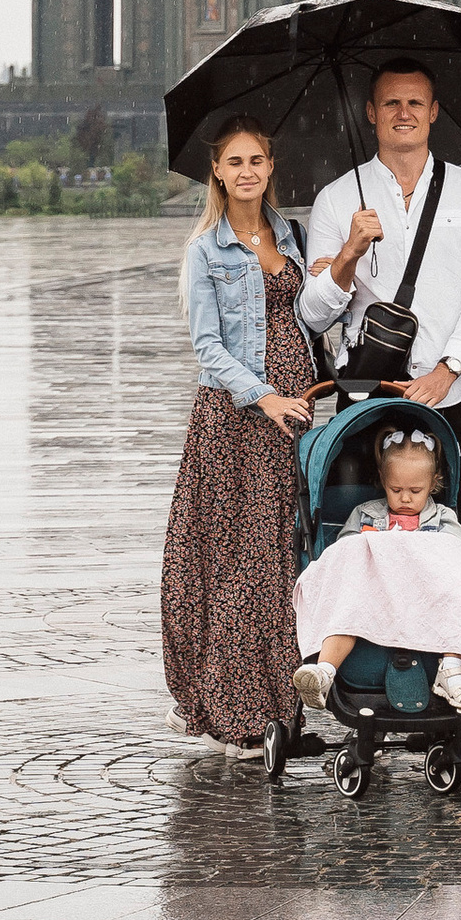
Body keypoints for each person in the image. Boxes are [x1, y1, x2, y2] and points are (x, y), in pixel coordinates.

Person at [300, 60, 461, 755]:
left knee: (460, 543)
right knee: (370, 543)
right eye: (390, 103)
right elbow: (313, 310)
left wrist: (448, 367)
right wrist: (350, 252)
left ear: (432, 112)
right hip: (369, 404)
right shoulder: (339, 198)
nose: (403, 114)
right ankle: (377, 683)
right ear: (371, 113)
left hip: (451, 397)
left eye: (415, 103)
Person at [162, 119, 320, 751]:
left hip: (298, 419)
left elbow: (310, 317)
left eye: (258, 160)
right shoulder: (207, 250)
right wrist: (267, 397)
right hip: (236, 423)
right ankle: (233, 709)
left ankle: (281, 705)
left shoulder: (294, 236)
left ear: (270, 167)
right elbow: (207, 349)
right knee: (232, 560)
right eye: (236, 161)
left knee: (282, 556)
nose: (248, 171)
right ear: (218, 174)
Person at [290, 426, 461, 718]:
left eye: (415, 491)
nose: (405, 498)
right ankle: (325, 671)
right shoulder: (366, 514)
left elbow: (454, 560)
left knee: (460, 596)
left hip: (427, 599)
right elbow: (345, 556)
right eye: (396, 490)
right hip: (375, 597)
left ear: (433, 484)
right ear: (382, 482)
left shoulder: (442, 518)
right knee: (348, 609)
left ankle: (452, 668)